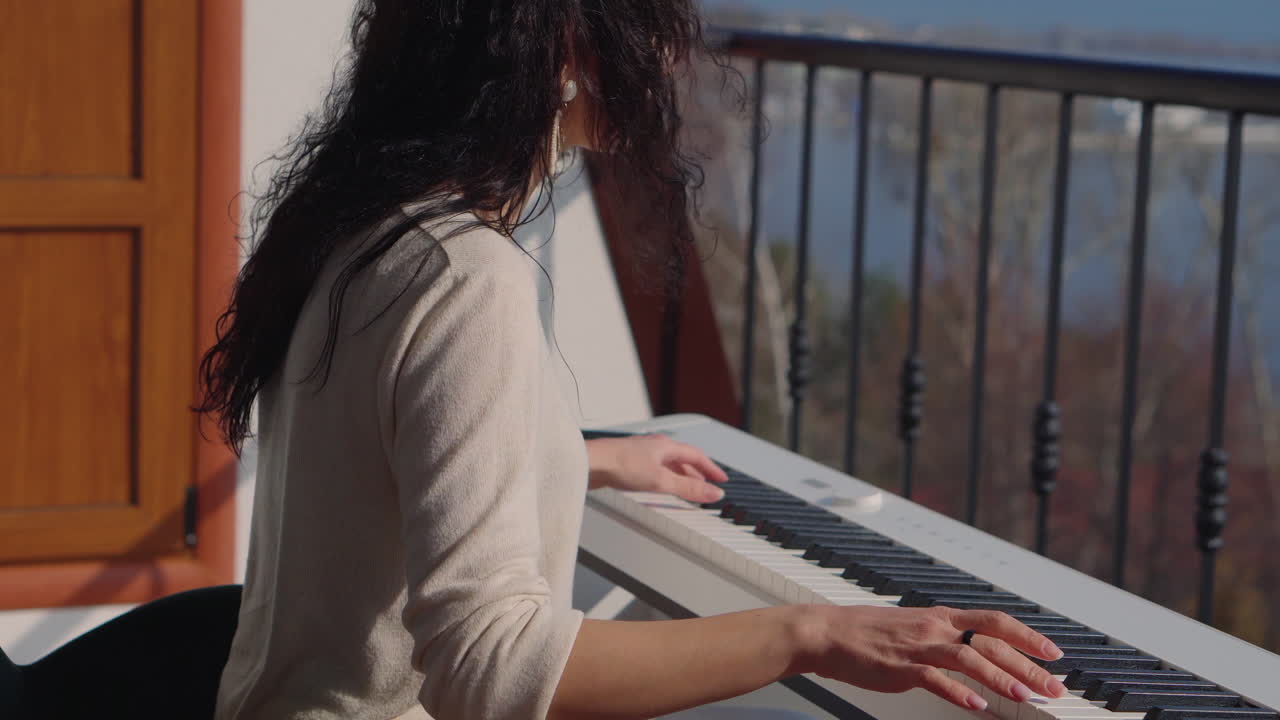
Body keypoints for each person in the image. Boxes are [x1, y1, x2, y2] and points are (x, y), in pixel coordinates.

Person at [197, 1, 1069, 718]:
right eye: (647, 21)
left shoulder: (366, 224)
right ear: (572, 43)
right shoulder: (468, 279)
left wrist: (582, 456)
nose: (663, 52)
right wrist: (811, 635)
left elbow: (384, 450)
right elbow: (491, 669)